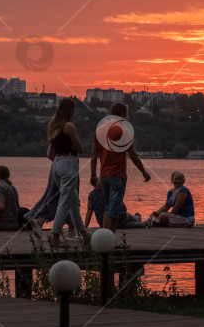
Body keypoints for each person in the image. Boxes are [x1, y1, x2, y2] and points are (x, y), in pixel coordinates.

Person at [89, 102, 151, 232]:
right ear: (123, 114)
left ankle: (105, 238)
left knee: (107, 207)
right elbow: (133, 155)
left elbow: (94, 155)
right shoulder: (124, 131)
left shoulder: (99, 130)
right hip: (118, 176)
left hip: (104, 175)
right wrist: (144, 172)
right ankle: (110, 239)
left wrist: (93, 174)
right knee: (114, 210)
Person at [47, 98, 86, 241]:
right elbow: (80, 148)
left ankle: (83, 234)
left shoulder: (52, 125)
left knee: (73, 202)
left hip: (56, 164)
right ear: (71, 110)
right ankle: (55, 235)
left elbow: (51, 149)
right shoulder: (69, 126)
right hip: (69, 163)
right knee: (64, 201)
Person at [24, 144, 72, 235]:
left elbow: (49, 154)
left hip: (54, 166)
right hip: (66, 167)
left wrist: (56, 161)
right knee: (67, 198)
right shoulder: (67, 134)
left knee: (52, 196)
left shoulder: (53, 135)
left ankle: (40, 220)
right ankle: (71, 231)